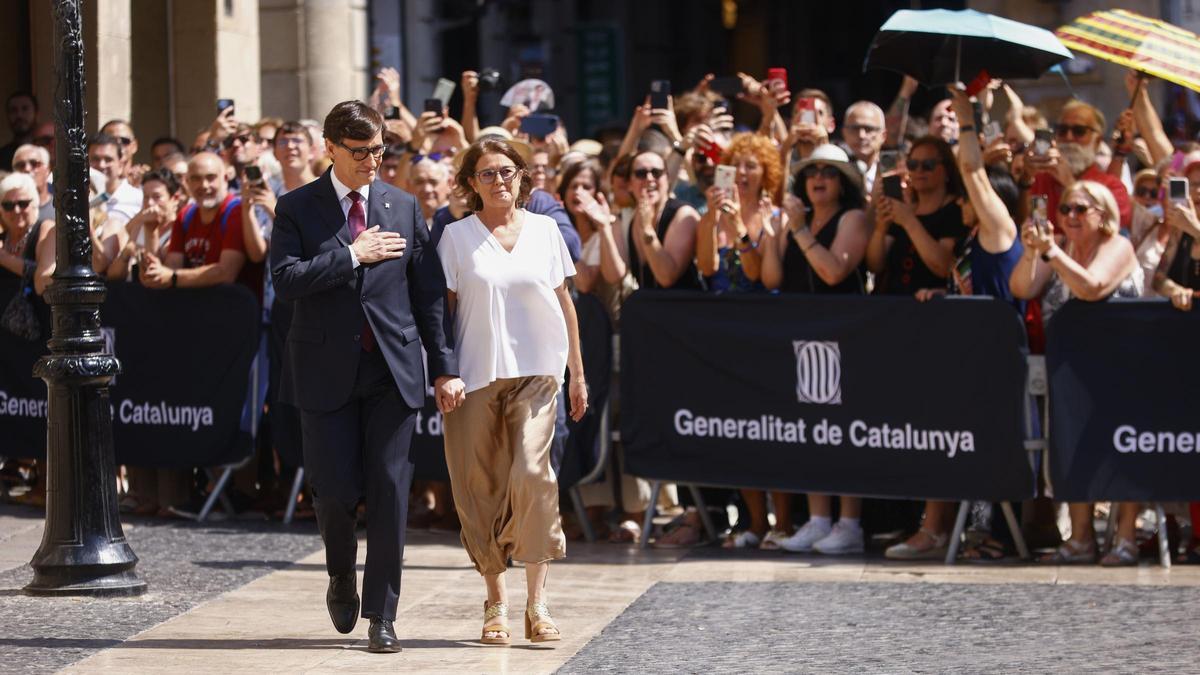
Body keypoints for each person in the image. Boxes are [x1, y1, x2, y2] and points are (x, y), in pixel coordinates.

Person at [269, 100, 461, 653]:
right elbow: (286, 280)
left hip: (391, 370)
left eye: (380, 150)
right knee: (333, 494)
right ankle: (338, 574)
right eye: (361, 152)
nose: (373, 161)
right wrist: (352, 256)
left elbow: (426, 296)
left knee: (390, 488)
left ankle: (383, 614)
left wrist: (443, 366)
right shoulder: (297, 207)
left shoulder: (401, 206)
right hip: (324, 370)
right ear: (330, 149)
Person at [438, 136, 586, 645]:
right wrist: (443, 372)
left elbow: (565, 303)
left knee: (532, 473)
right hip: (474, 376)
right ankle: (495, 603)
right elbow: (443, 313)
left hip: (538, 373)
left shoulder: (546, 230)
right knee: (478, 488)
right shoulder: (455, 237)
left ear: (523, 176)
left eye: (507, 171)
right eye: (486, 174)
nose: (498, 181)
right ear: (470, 184)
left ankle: (538, 603)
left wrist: (578, 374)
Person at [885, 87, 1024, 560]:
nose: (965, 201)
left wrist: (966, 119)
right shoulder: (971, 241)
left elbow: (971, 169)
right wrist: (944, 294)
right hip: (968, 354)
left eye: (974, 197)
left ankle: (988, 534)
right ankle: (943, 528)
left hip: (998, 357)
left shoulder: (998, 230)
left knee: (980, 444)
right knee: (944, 436)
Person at [1010, 180, 1142, 566]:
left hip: (1122, 366)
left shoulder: (1118, 245)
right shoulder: (1062, 250)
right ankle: (1081, 537)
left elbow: (1092, 286)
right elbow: (1020, 286)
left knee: (1123, 448)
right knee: (1073, 449)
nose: (1069, 217)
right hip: (1072, 371)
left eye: (1080, 210)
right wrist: (1033, 253)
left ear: (1103, 216)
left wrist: (1051, 251)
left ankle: (1126, 537)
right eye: (1065, 209)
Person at [761, 144, 871, 554]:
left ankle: (850, 523)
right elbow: (774, 276)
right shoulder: (795, 222)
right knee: (809, 428)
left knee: (842, 429)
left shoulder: (854, 218)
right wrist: (776, 236)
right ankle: (818, 518)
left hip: (843, 334)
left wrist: (801, 230)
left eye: (828, 172)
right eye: (811, 173)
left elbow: (833, 270)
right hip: (801, 334)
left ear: (843, 182)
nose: (818, 178)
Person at [868, 136, 963, 295]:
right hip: (892, 305)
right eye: (912, 165)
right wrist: (880, 229)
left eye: (928, 165)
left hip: (931, 308)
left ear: (947, 170)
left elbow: (943, 267)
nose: (919, 171)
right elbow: (875, 265)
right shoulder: (903, 209)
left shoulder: (957, 210)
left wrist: (909, 221)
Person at [1020, 100, 1131, 232]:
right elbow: (1028, 223)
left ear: (1097, 141)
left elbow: (1112, 227)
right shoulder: (1041, 180)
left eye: (1079, 131)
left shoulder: (1111, 187)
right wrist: (1026, 177)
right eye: (1062, 130)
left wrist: (1070, 184)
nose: (1069, 137)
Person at [139, 152, 245, 290]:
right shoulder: (186, 215)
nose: (204, 185)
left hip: (232, 307)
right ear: (187, 182)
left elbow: (226, 273)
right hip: (195, 305)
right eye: (196, 179)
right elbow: (171, 267)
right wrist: (150, 232)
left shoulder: (236, 211)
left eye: (210, 177)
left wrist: (173, 277)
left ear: (225, 179)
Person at [627, 150, 703, 290]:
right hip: (648, 308)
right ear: (630, 184)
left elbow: (666, 277)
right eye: (641, 173)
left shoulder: (683, 215)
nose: (649, 178)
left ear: (667, 179)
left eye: (656, 172)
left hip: (682, 307)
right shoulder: (634, 217)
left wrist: (647, 230)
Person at [104, 168, 185, 282]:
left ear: (175, 199)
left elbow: (157, 276)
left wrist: (150, 230)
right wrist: (126, 254)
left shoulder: (179, 229)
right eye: (146, 197)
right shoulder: (138, 225)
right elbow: (113, 275)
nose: (150, 203)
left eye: (157, 197)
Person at [1153, 160, 1200, 311]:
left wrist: (1195, 229)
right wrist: (1174, 290)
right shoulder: (1179, 232)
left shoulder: (1188, 227)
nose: (1198, 191)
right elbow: (1158, 279)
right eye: (1193, 184)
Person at [0, 172, 55, 297]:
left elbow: (41, 273)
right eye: (8, 205)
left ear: (34, 204)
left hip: (35, 311)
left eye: (23, 203)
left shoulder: (45, 228)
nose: (16, 210)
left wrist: (3, 257)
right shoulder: (3, 238)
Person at [89, 132, 143, 231]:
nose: (101, 165)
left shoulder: (139, 199)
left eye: (108, 159)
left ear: (120, 166)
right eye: (95, 159)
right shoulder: (76, 200)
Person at [841, 101, 887, 193]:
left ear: (883, 135)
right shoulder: (833, 175)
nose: (861, 135)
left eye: (869, 129)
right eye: (854, 128)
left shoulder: (892, 175)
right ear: (844, 133)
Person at [11, 144, 53, 223]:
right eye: (20, 165)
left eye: (34, 163)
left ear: (48, 169)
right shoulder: (6, 210)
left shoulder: (60, 209)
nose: (27, 169)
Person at [0, 91, 38, 171]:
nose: (19, 115)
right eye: (13, 110)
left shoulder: (47, 150)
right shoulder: (2, 156)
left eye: (25, 109)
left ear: (36, 113)